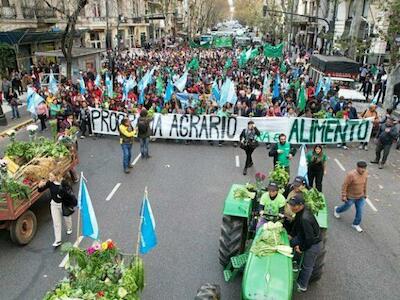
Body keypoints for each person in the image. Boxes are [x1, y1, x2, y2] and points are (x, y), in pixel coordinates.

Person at [288, 195, 322, 292]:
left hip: (313, 244)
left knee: (307, 266)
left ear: (301, 205)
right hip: (303, 236)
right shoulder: (299, 212)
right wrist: (291, 235)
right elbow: (296, 224)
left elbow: (310, 239)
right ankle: (294, 262)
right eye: (290, 205)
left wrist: (301, 248)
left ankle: (302, 285)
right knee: (291, 242)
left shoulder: (305, 218)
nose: (291, 207)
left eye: (293, 205)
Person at [38, 171, 75, 247]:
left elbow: (70, 192)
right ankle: (58, 240)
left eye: (51, 176)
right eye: (49, 177)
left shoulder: (64, 183)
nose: (49, 178)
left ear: (56, 176)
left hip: (63, 204)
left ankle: (69, 228)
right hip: (54, 205)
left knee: (67, 217)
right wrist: (40, 186)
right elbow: (40, 190)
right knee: (56, 223)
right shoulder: (50, 183)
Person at [334, 161, 368, 232]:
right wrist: (344, 195)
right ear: (357, 167)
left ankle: (355, 224)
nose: (363, 170)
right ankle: (337, 210)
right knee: (346, 207)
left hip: (360, 196)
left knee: (360, 211)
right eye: (362, 168)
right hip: (351, 196)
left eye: (364, 168)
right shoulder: (351, 175)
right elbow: (345, 185)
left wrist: (365, 193)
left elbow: (365, 184)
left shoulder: (365, 173)